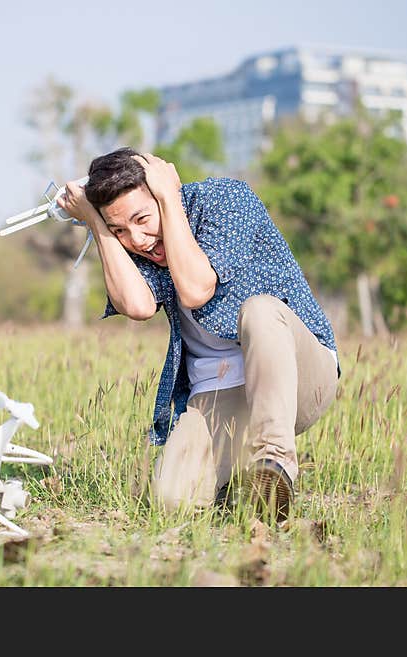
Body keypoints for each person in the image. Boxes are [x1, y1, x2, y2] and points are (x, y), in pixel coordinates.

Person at [57, 147, 340, 522]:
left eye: (142, 218)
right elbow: (137, 306)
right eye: (120, 230)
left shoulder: (227, 200)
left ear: (160, 190)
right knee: (172, 500)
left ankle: (275, 463)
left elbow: (195, 288)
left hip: (299, 376)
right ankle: (241, 485)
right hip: (220, 392)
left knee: (260, 310)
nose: (139, 240)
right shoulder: (138, 246)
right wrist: (96, 224)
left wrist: (170, 200)